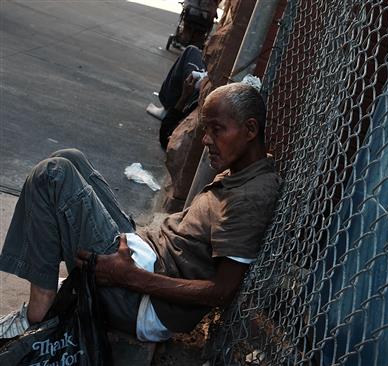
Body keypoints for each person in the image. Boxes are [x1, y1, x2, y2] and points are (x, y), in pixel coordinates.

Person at [0, 82, 282, 342]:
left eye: (217, 129)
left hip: (141, 303)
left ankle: (40, 307)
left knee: (52, 175)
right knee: (69, 157)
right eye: (206, 130)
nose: (206, 140)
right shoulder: (243, 172)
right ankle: (54, 289)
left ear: (250, 129)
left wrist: (127, 276)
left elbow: (221, 291)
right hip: (145, 258)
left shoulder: (251, 197)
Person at [147, 45, 207, 150]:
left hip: (193, 100)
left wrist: (184, 97)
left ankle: (168, 108)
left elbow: (165, 138)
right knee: (193, 52)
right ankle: (169, 109)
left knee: (191, 51)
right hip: (201, 94)